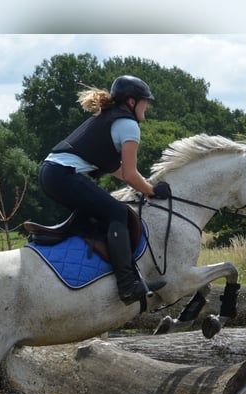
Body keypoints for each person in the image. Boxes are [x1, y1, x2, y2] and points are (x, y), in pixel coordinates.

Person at [38, 75, 171, 305]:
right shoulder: (128, 125)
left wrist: (145, 185)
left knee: (99, 212)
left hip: (51, 173)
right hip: (63, 174)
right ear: (131, 102)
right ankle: (128, 285)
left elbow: (118, 171)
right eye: (144, 101)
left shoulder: (109, 118)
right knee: (117, 212)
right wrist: (151, 191)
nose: (147, 106)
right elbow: (130, 174)